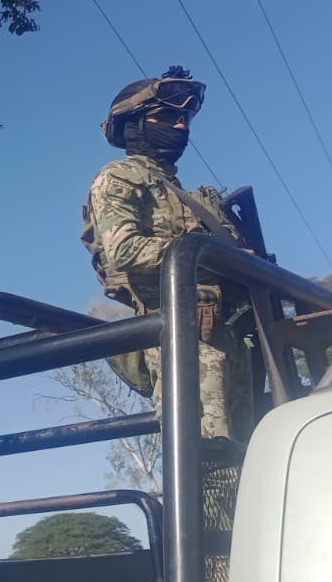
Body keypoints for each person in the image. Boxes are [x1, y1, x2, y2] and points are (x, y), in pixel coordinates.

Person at [81, 66, 253, 443]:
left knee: (256, 462)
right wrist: (211, 255)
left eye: (185, 118)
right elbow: (124, 251)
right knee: (212, 467)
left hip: (228, 336)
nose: (181, 127)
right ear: (135, 124)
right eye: (168, 117)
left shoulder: (178, 191)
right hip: (184, 337)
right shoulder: (119, 177)